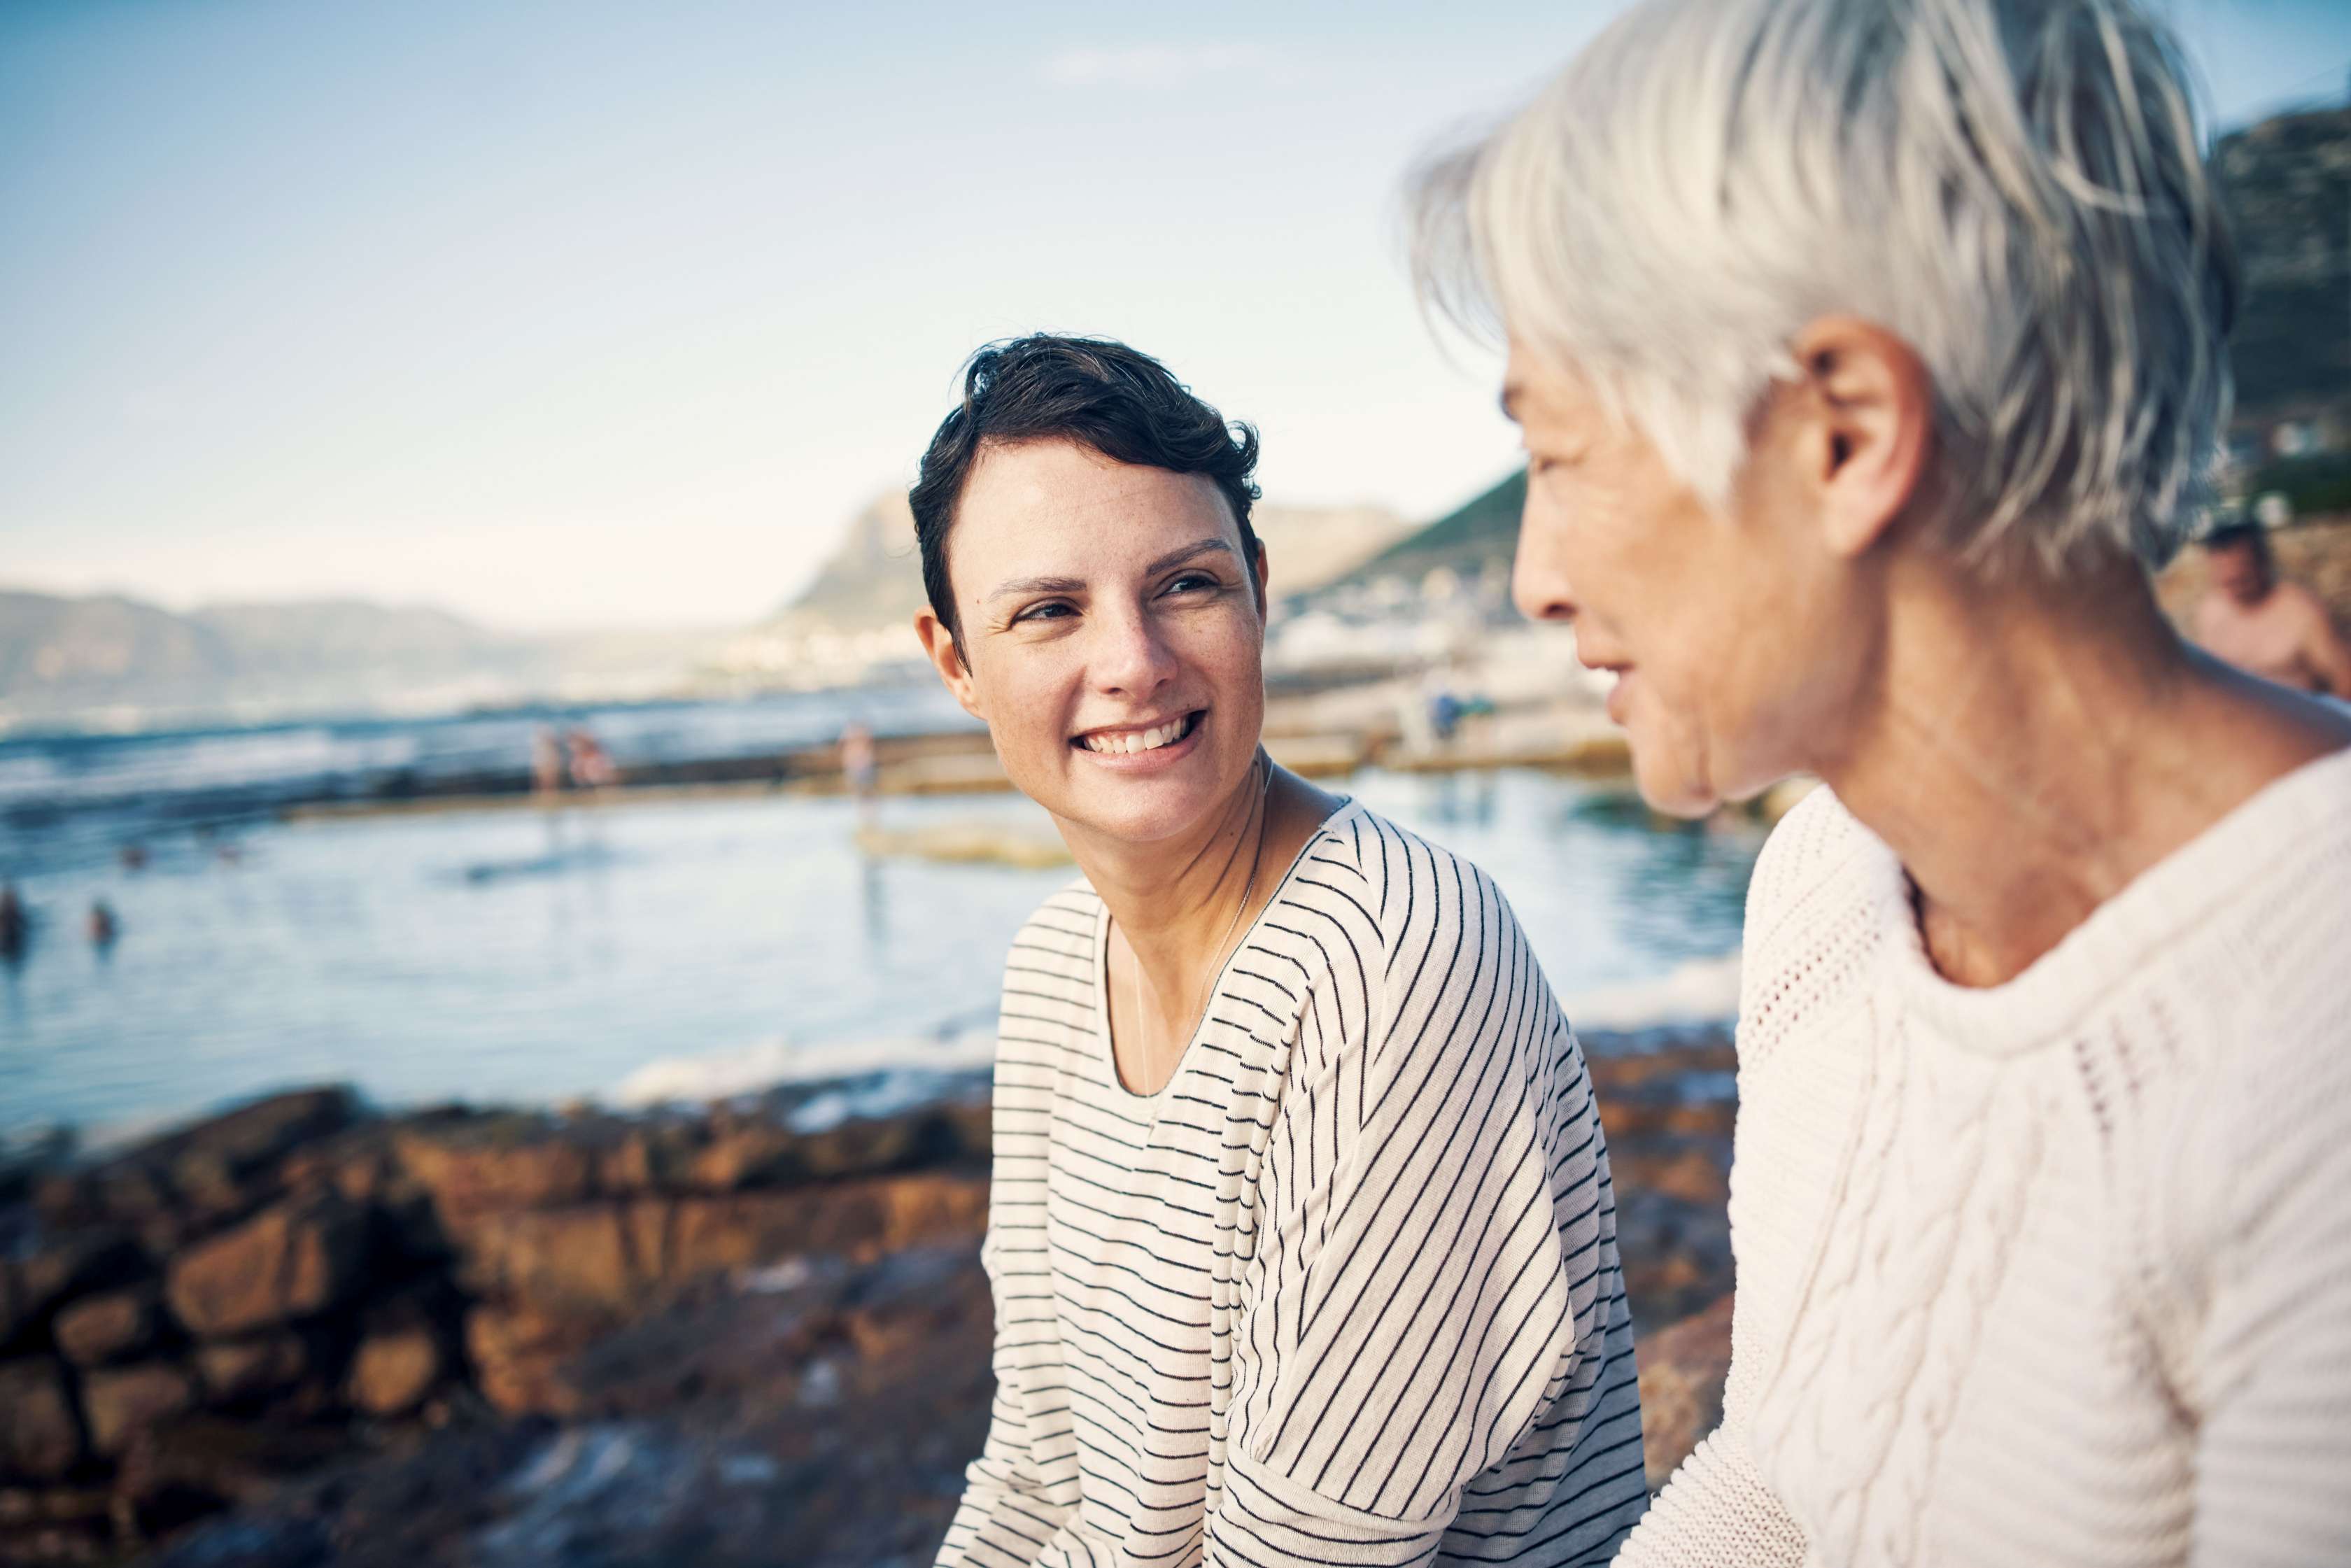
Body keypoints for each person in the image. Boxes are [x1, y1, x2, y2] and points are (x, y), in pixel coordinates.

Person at [1411, 0, 2351, 1562]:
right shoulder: (1831, 882)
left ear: (1846, 435)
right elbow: (1780, 1468)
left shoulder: (2313, 1036)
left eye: (1559, 456)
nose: (1534, 579)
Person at [917, 335, 1646, 1565]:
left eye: (1186, 585)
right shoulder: (1051, 967)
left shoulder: (1396, 956)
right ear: (958, 665)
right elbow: (1035, 1474)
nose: (1133, 664)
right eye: (1048, 610)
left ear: (1259, 590)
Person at [2191, 519, 2351, 695]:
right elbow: (2205, 677)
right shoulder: (2211, 611)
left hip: (2294, 717)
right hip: (2234, 716)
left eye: (2242, 566)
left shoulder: (2301, 612)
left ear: (2262, 561)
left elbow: (2345, 680)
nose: (2232, 575)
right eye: (2223, 569)